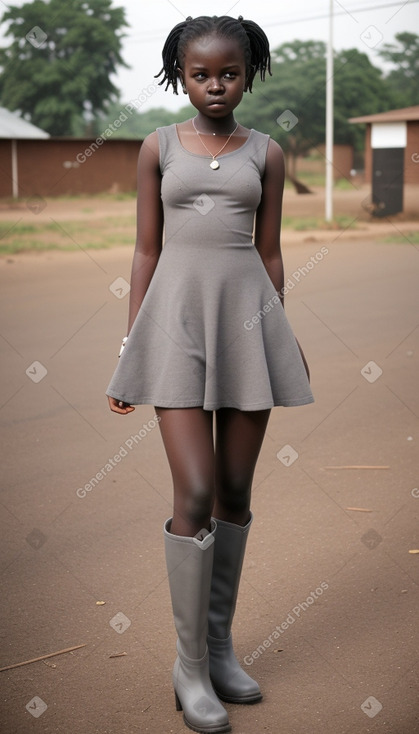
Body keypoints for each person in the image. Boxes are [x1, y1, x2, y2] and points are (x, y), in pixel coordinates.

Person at [106, 15, 313, 734]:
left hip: (249, 326)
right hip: (173, 329)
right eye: (200, 73)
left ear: (248, 73)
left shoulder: (268, 152)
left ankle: (219, 649)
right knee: (192, 489)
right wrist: (130, 342)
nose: (215, 85)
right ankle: (187, 666)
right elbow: (143, 251)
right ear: (179, 75)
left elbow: (271, 251)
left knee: (232, 490)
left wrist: (278, 329)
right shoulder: (156, 147)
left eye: (228, 72)